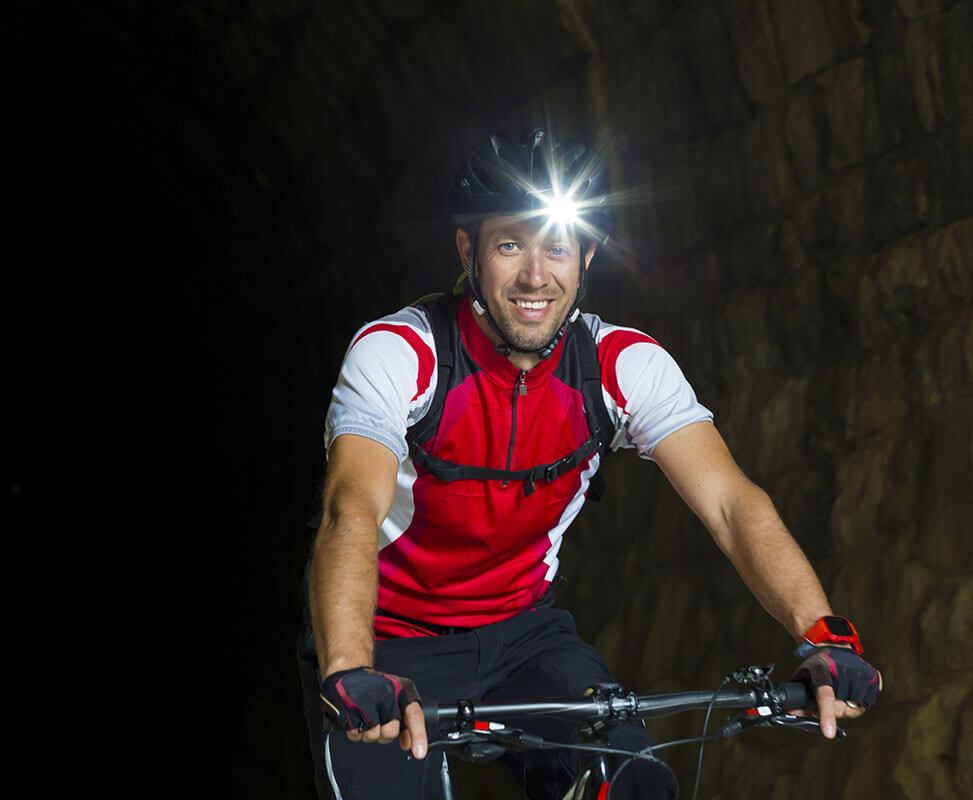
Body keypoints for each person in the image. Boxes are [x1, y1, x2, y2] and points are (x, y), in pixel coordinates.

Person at [297, 128, 882, 800]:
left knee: (632, 785)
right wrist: (348, 666)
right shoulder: (401, 353)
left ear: (586, 257)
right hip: (385, 641)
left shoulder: (621, 366)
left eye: (557, 246)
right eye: (510, 244)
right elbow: (352, 508)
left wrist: (823, 635)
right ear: (469, 250)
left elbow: (730, 504)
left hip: (523, 635)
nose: (535, 275)